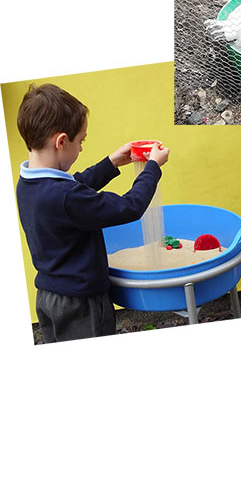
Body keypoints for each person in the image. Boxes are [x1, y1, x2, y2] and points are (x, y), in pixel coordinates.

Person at [14, 83, 170, 342]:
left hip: (49, 298)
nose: (82, 148)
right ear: (61, 141)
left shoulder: (28, 182)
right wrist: (152, 167)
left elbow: (75, 185)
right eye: (81, 141)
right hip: (81, 305)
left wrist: (111, 163)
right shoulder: (66, 197)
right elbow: (129, 207)